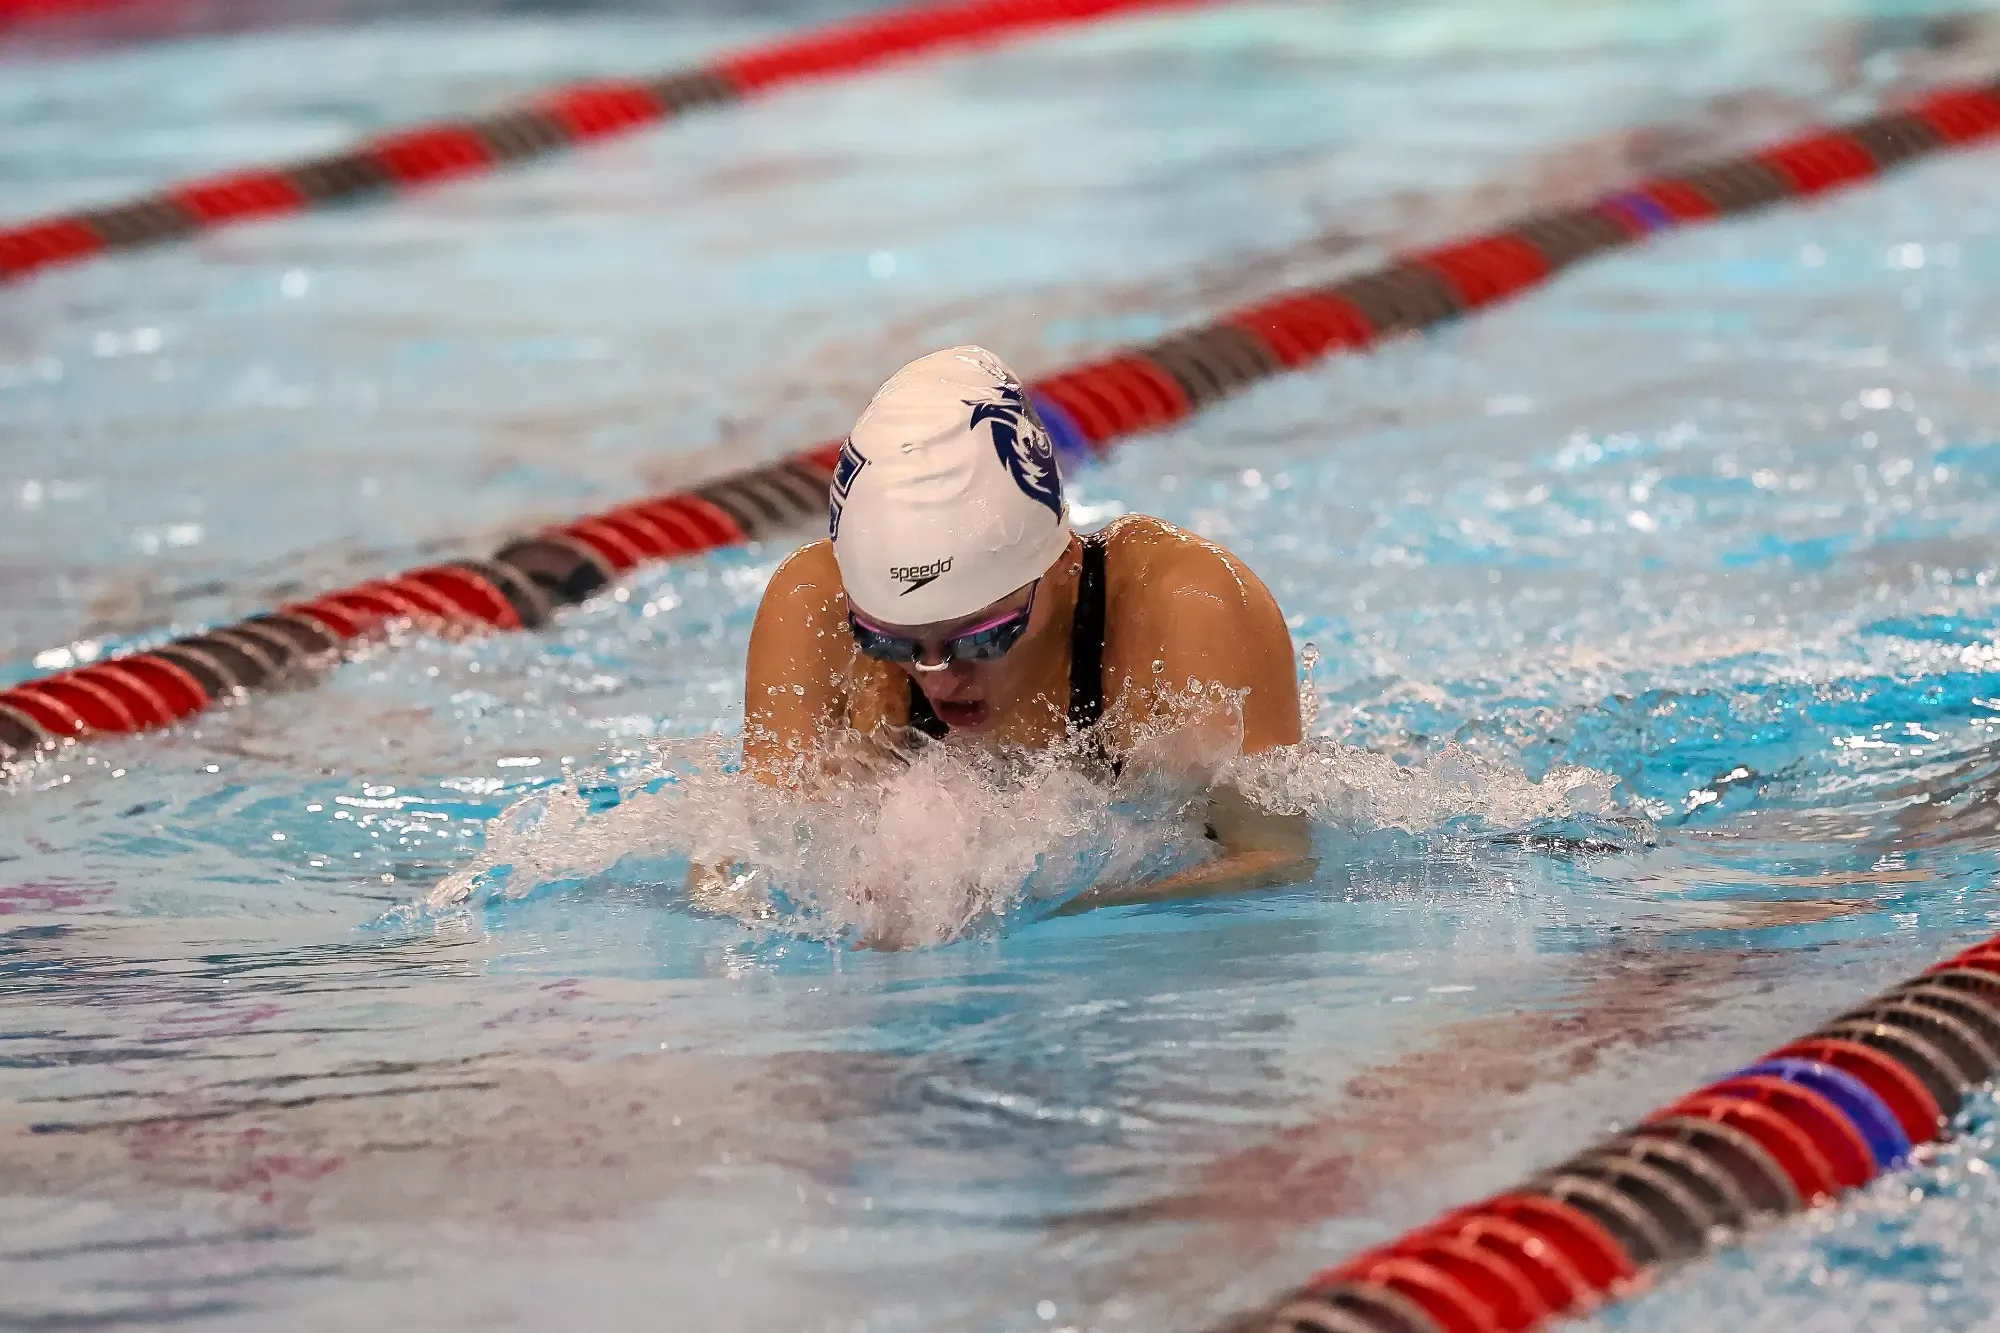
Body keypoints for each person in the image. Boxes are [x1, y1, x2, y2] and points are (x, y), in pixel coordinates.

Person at [741, 345, 1313, 905]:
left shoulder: (1182, 609)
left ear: (1061, 563)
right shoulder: (815, 607)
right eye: (888, 639)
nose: (937, 679)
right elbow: (741, 864)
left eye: (983, 636)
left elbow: (1272, 860)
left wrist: (1050, 913)